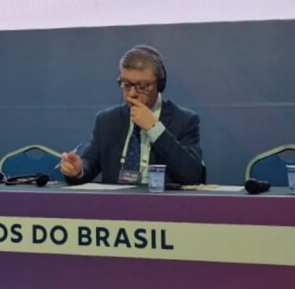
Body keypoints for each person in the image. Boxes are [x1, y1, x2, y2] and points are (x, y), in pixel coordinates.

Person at [60, 45, 204, 185]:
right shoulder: (106, 121)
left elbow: (193, 175)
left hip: (160, 200)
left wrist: (154, 128)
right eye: (126, 84)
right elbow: (89, 163)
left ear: (160, 84)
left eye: (142, 86)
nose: (132, 94)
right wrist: (78, 170)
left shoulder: (184, 120)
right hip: (116, 201)